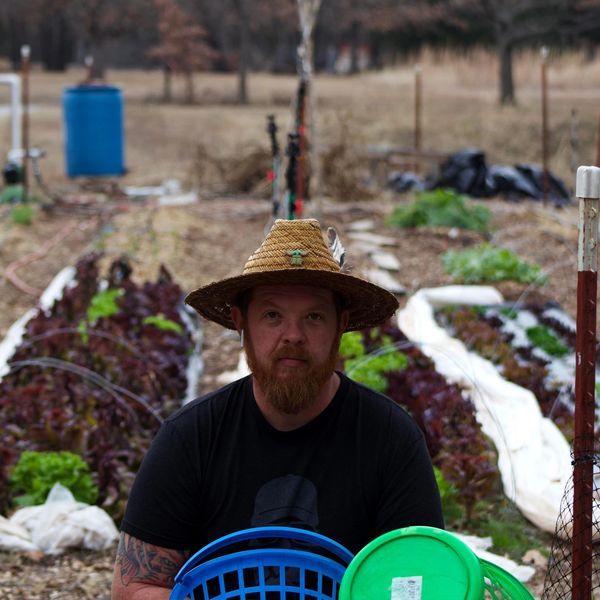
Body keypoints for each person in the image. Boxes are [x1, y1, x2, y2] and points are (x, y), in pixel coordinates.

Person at [111, 218, 443, 599]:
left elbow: (421, 583)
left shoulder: (390, 439)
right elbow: (135, 587)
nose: (293, 336)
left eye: (314, 317)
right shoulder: (191, 438)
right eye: (272, 315)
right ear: (241, 324)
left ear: (341, 326)